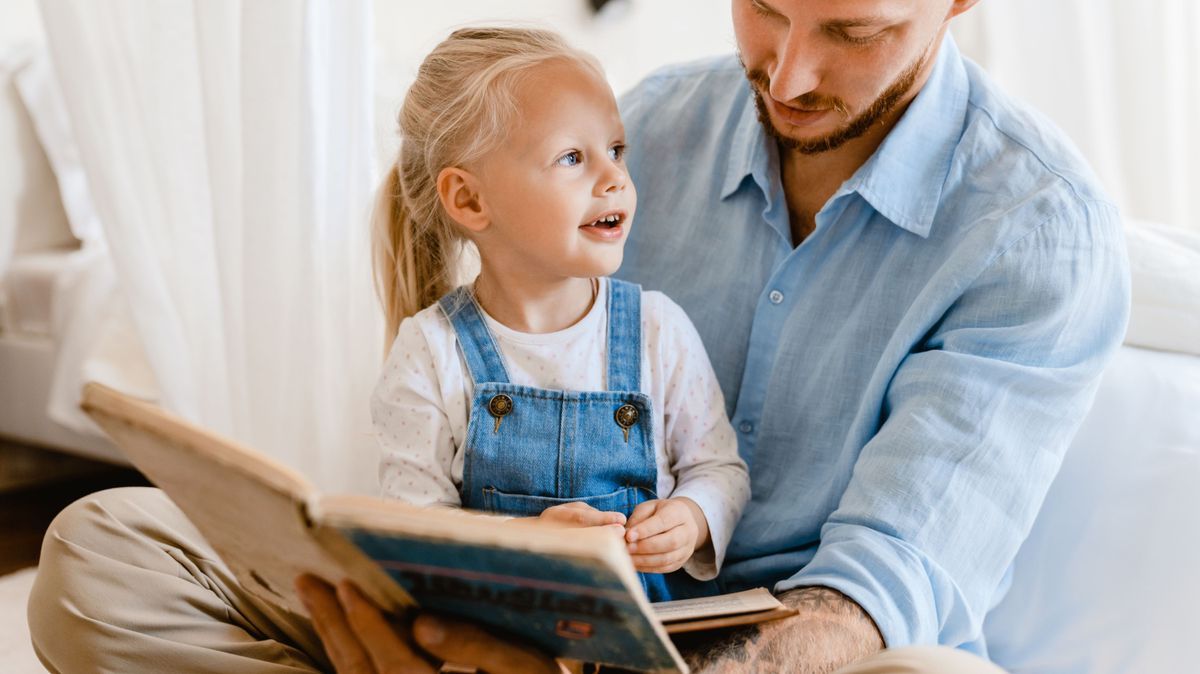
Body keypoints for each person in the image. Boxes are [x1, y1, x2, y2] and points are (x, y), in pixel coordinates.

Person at [28, 1, 1130, 673]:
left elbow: (874, 588)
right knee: (106, 550)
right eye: (760, 7)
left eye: (854, 31)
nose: (789, 75)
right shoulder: (643, 126)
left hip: (785, 650)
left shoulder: (1035, 233)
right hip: (530, 616)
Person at [366, 27, 749, 601]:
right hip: (500, 637)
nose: (614, 177)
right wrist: (528, 543)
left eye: (616, 150)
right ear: (470, 200)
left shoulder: (657, 329)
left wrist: (693, 518)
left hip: (648, 637)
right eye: (572, 157)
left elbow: (720, 470)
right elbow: (414, 534)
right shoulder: (429, 352)